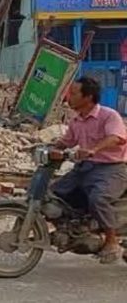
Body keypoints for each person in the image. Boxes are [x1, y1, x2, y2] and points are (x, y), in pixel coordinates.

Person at [54, 76, 127, 264]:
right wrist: (49, 147)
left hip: (111, 169)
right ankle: (74, 226)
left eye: (73, 93)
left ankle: (112, 241)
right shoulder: (76, 121)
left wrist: (94, 149)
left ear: (88, 97)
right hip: (85, 168)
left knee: (98, 198)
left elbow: (116, 138)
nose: (68, 97)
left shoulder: (109, 115)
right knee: (53, 192)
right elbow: (67, 141)